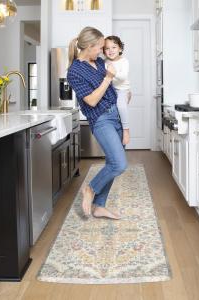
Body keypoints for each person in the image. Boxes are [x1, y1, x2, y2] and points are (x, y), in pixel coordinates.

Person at [67, 27, 127, 220]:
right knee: (119, 164)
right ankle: (90, 189)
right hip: (100, 119)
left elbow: (112, 89)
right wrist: (108, 78)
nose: (103, 51)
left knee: (111, 163)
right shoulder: (74, 71)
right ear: (89, 47)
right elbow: (91, 100)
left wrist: (124, 95)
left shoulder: (99, 62)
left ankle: (99, 207)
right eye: (100, 47)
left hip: (115, 115)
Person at [103, 36, 131, 145]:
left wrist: (110, 73)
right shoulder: (105, 62)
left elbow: (123, 77)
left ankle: (126, 130)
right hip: (110, 90)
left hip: (122, 90)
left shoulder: (124, 61)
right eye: (107, 48)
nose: (111, 51)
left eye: (114, 47)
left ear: (120, 49)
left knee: (121, 106)